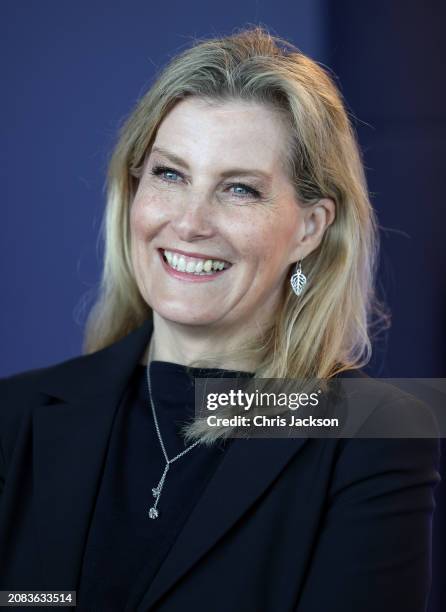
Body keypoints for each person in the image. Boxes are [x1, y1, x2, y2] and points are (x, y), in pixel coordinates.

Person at [0, 26, 440, 612]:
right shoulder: (15, 417)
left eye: (239, 189)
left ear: (310, 228)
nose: (189, 223)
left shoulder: (369, 436)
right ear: (133, 190)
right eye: (170, 174)